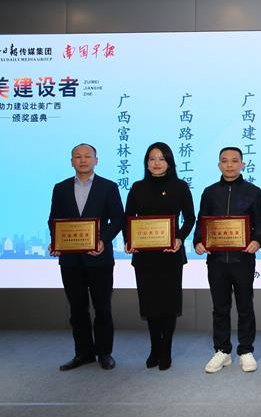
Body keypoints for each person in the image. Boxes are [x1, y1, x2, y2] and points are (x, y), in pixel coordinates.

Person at [48, 143, 124, 371]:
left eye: (87, 156)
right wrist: (56, 241)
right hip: (70, 260)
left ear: (96, 160)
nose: (83, 160)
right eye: (78, 157)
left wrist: (103, 241)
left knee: (103, 308)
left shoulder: (108, 187)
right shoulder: (60, 188)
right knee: (77, 309)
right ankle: (83, 353)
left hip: (99, 258)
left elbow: (118, 219)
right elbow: (54, 219)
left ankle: (104, 353)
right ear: (71, 161)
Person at [193, 147, 261, 373]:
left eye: (234, 161)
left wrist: (257, 240)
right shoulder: (209, 192)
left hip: (243, 259)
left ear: (242, 164)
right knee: (220, 307)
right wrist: (197, 241)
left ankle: (245, 350)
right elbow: (201, 221)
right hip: (216, 260)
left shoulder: (253, 192)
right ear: (219, 165)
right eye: (225, 161)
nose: (230, 165)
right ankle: (222, 351)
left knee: (245, 306)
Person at [124, 142, 195, 371]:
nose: (156, 163)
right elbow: (128, 218)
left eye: (161, 158)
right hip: (144, 256)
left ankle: (166, 349)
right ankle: (154, 348)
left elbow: (190, 218)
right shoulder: (137, 187)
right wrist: (129, 240)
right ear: (146, 163)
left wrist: (180, 238)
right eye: (152, 158)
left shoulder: (180, 186)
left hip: (170, 254)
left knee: (168, 304)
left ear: (169, 162)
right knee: (150, 304)